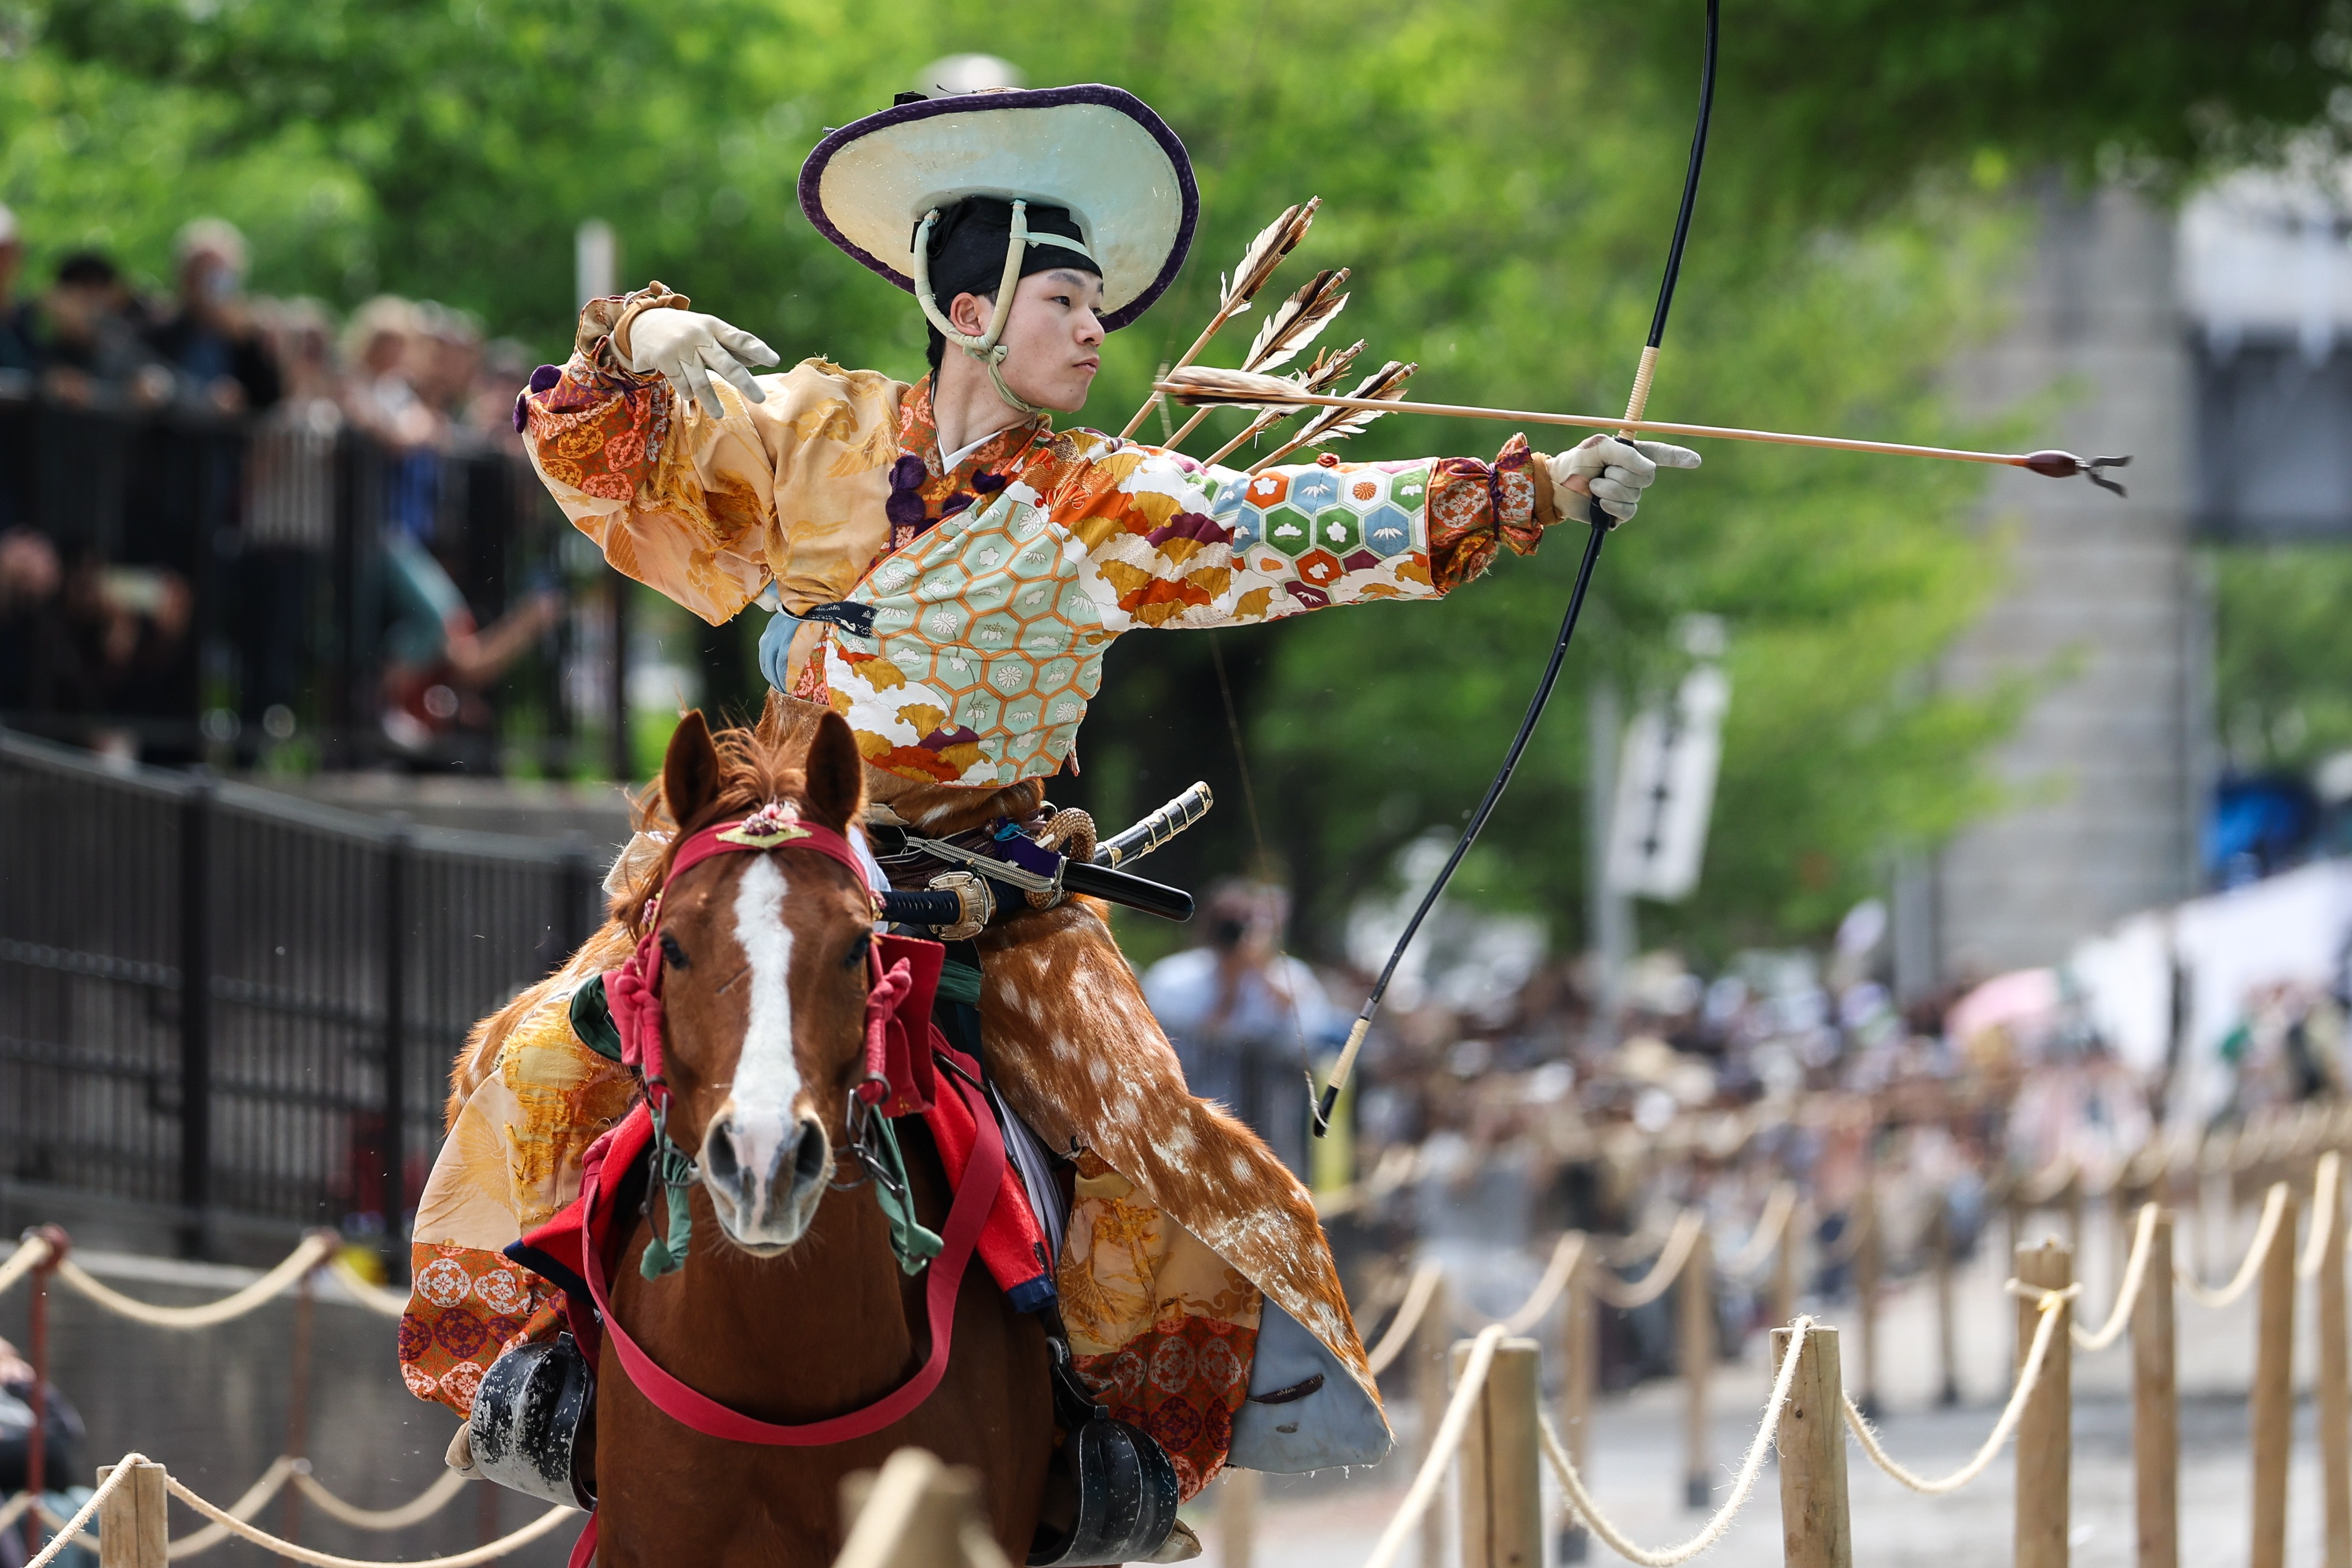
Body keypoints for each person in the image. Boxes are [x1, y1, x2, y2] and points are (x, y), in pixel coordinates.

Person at [420, 84, 1697, 1498]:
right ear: (968, 314)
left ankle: (1110, 1453)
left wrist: (1543, 491)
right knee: (537, 1054)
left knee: (1149, 1135)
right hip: (778, 866)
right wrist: (639, 331)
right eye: (1064, 299)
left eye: (1097, 305)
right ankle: (532, 1369)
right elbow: (595, 440)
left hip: (987, 897)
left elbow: (1297, 526)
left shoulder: (1105, 501)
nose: (1096, 329)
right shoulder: (812, 430)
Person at [1142, 880, 1345, 1176]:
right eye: (1226, 923)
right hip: (1191, 1131)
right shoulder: (1173, 978)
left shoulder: (1290, 978)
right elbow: (1165, 1044)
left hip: (1272, 1135)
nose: (1233, 933)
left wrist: (1263, 971)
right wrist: (1229, 986)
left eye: (1244, 923)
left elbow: (1310, 1038)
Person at [141, 219, 281, 414]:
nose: (210, 286)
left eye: (219, 275)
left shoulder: (249, 339)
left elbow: (271, 400)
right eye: (202, 273)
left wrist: (247, 345)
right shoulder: (159, 332)